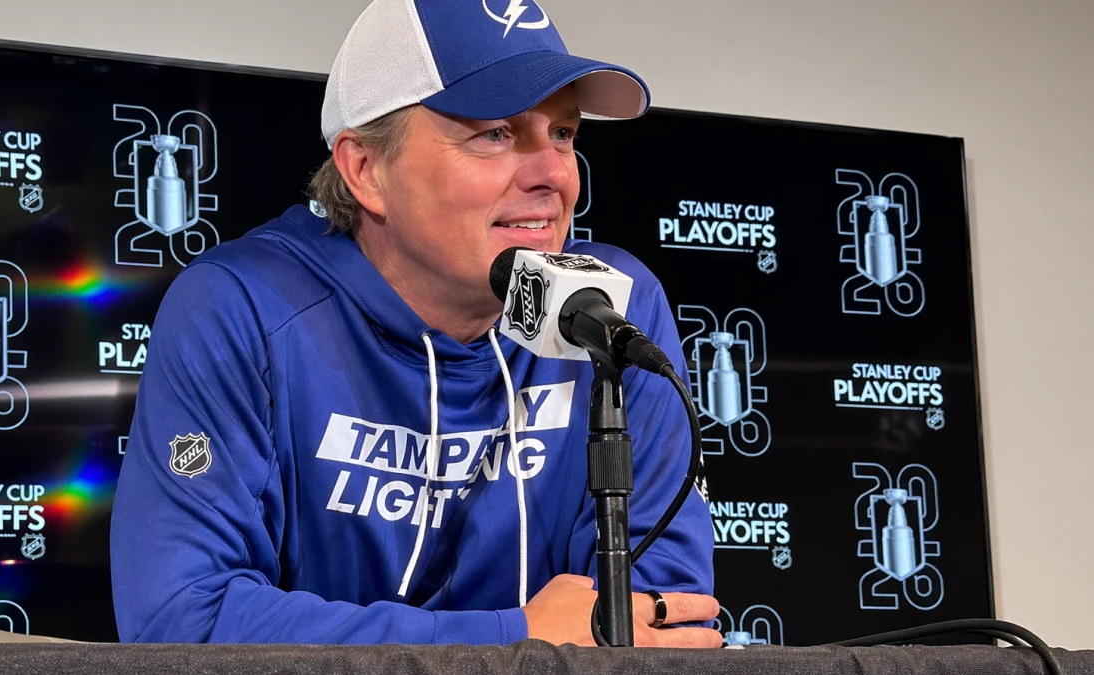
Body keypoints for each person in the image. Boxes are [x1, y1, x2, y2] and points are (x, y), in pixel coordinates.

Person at [110, 0, 720, 647]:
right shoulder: (243, 307)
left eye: (564, 133)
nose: (555, 174)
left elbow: (665, 625)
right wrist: (517, 640)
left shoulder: (611, 312)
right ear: (366, 170)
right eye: (497, 133)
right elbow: (183, 621)